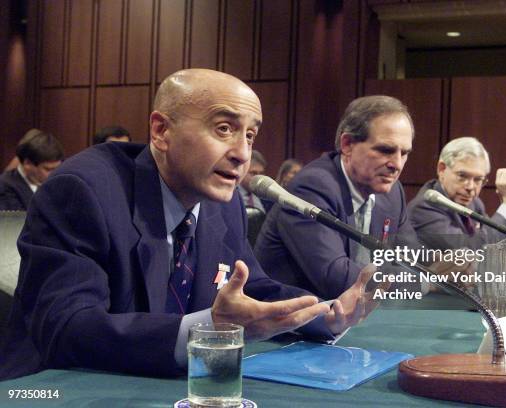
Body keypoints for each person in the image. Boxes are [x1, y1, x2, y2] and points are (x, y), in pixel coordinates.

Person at [0, 69, 378, 380]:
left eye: (250, 134)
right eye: (224, 128)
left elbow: (253, 289)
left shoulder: (220, 203)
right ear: (161, 131)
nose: (243, 154)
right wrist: (209, 330)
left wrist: (319, 313)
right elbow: (67, 328)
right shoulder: (83, 191)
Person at [254, 95, 424, 300]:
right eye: (385, 150)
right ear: (347, 144)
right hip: (293, 322)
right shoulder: (313, 187)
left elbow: (413, 259)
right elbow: (338, 280)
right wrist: (423, 282)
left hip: (353, 318)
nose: (396, 164)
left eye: (404, 153)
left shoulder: (392, 193)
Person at [406, 137, 506, 250]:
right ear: (441, 169)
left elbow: (499, 246)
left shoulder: (475, 203)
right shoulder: (424, 208)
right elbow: (472, 251)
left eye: (478, 179)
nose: (470, 187)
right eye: (462, 176)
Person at [0, 129, 64, 211]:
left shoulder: (61, 181)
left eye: (57, 168)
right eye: (48, 169)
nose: (55, 173)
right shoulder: (5, 188)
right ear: (27, 164)